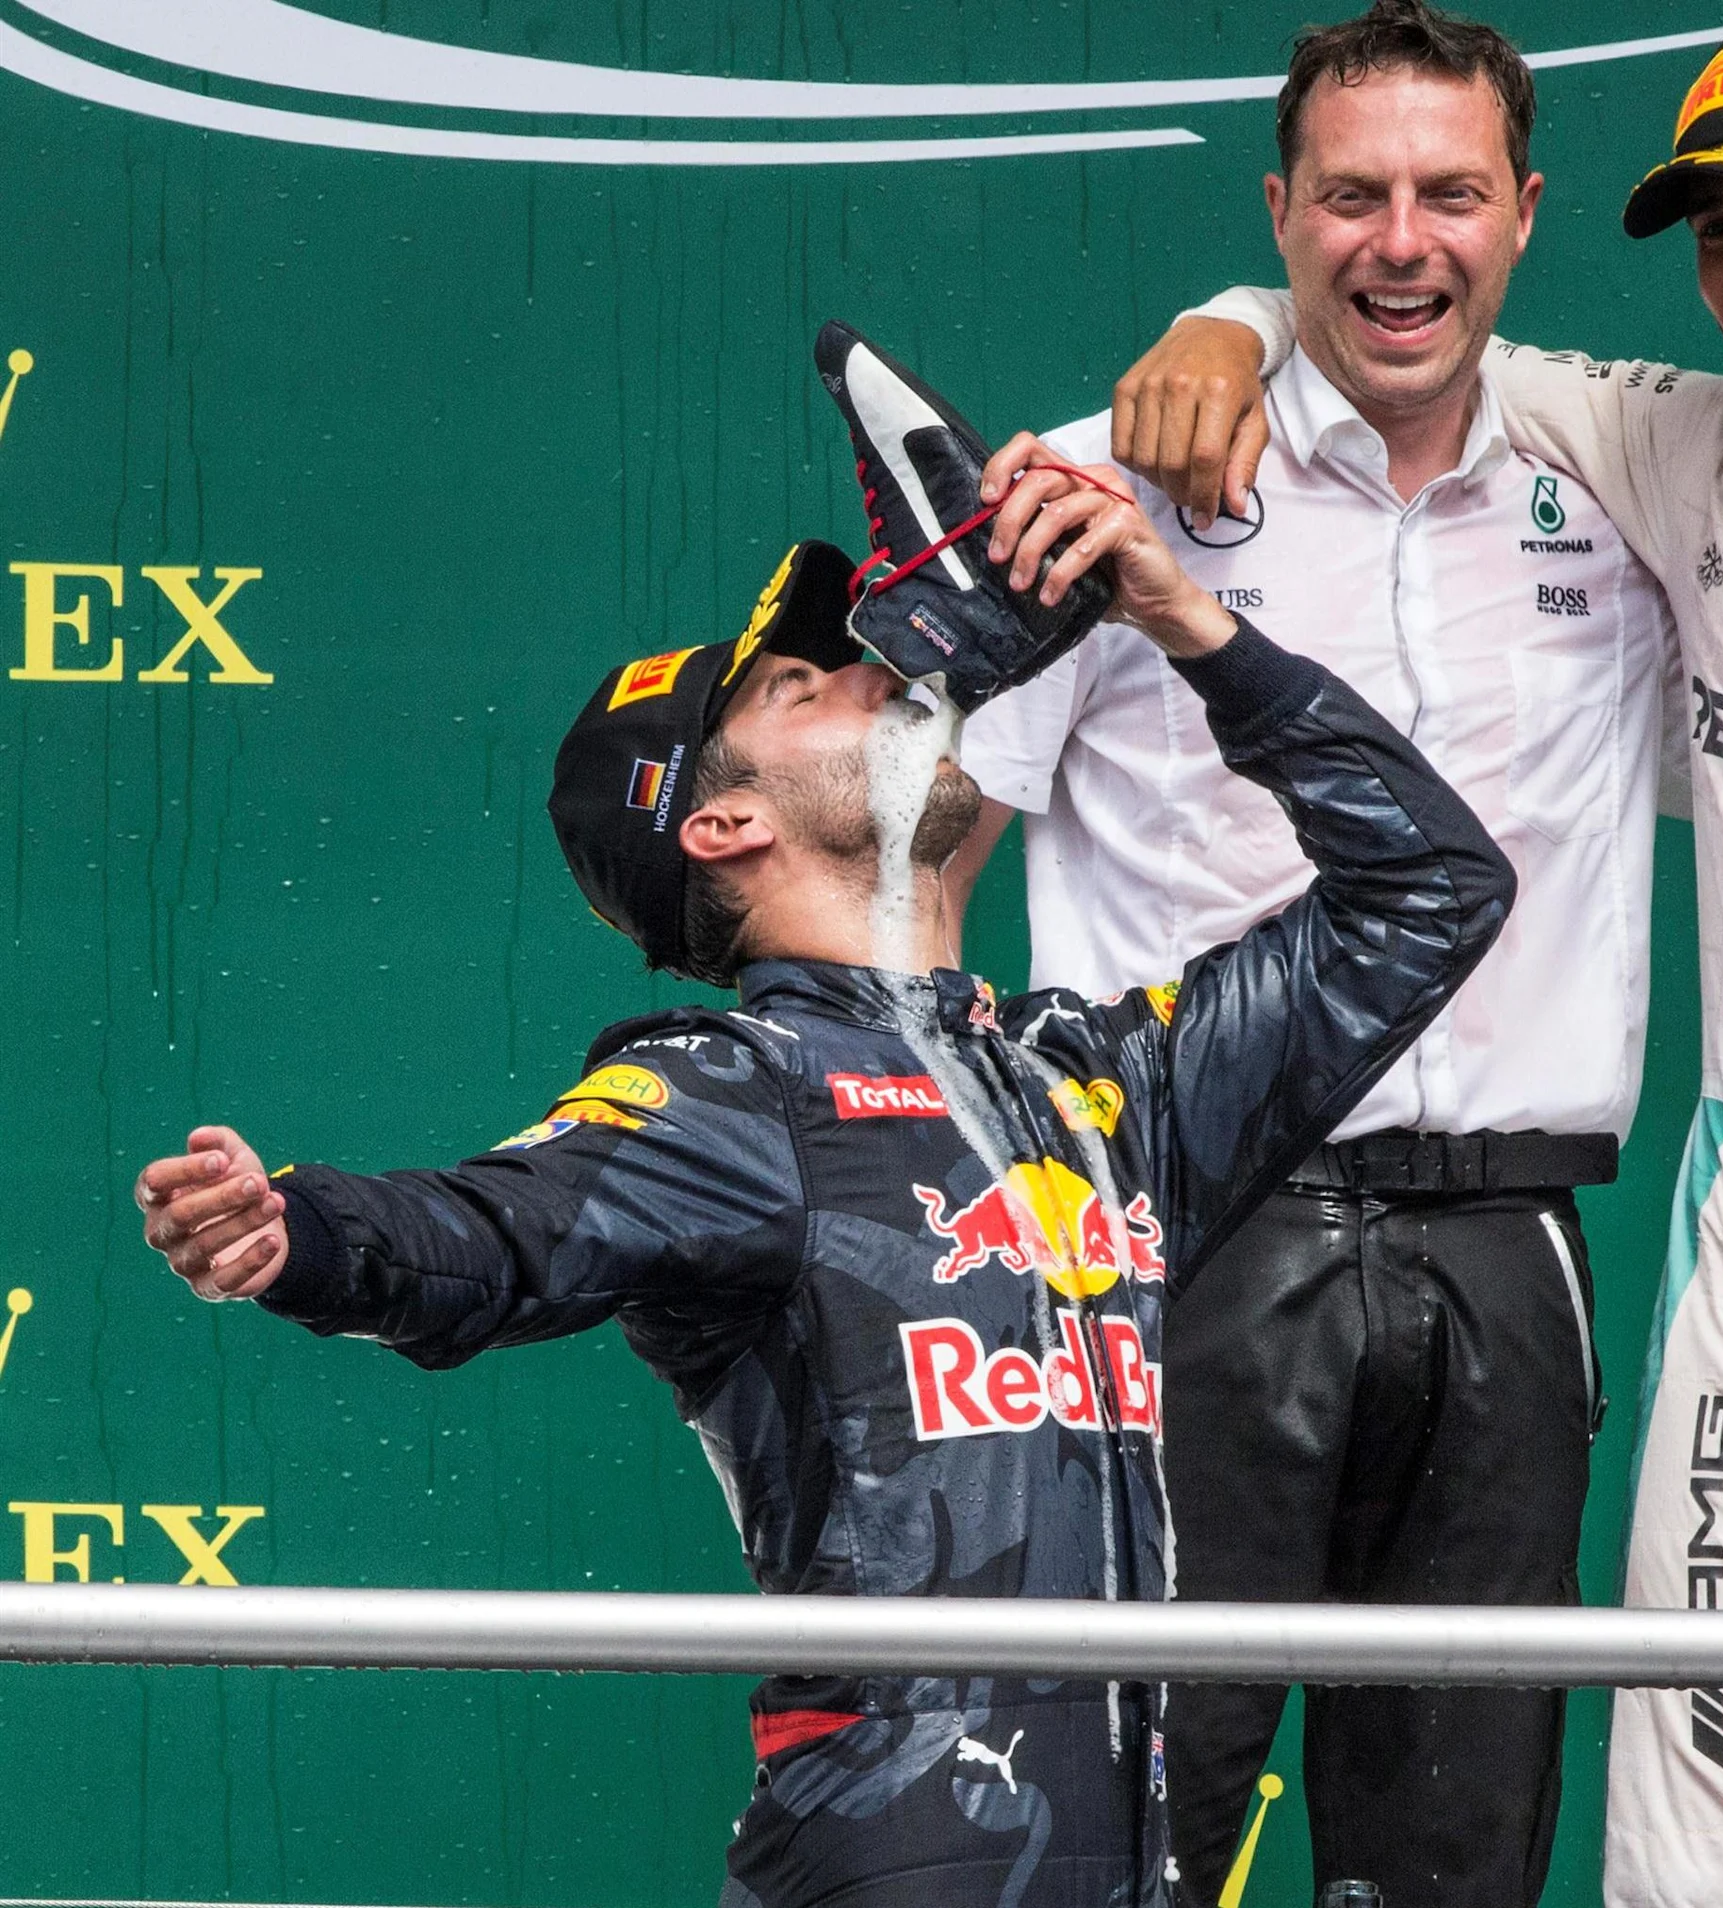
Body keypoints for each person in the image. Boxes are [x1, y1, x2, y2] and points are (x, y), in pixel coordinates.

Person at [956, 5, 1723, 1901]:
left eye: (1451, 194)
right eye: (1348, 200)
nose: (1400, 241)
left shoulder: (1633, 473)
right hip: (1176, 1238)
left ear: (1528, 213)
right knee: (1116, 1841)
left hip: (1507, 1255)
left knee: (1454, 1861)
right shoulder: (1108, 477)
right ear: (1278, 216)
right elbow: (930, 852)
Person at [127, 329, 1513, 1908]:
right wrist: (303, 1232)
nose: (880, 668)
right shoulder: (739, 1090)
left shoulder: (1102, 1085)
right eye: (807, 683)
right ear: (722, 823)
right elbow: (502, 1230)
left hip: (1131, 1868)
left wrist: (1183, 620)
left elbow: (1432, 893)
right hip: (890, 1861)